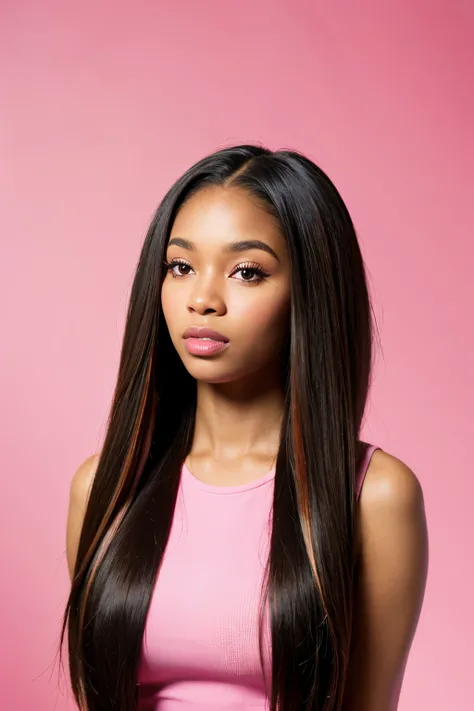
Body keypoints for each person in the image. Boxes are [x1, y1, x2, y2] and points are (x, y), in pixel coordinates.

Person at [61, 144, 428, 711]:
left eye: (246, 272)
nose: (202, 300)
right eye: (180, 266)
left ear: (309, 293)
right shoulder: (105, 488)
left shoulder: (373, 497)